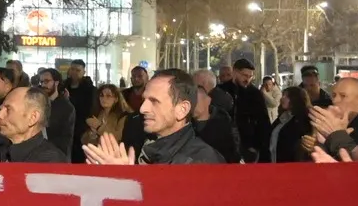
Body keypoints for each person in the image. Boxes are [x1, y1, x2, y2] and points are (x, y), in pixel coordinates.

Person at [86, 69, 222, 164]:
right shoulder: (151, 147)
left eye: (154, 101)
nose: (143, 108)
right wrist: (125, 178)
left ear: (182, 109)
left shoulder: (200, 162)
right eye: (144, 100)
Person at [217, 58, 270, 161]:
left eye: (250, 76)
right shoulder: (222, 91)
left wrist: (256, 146)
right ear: (235, 72)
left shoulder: (255, 94)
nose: (247, 79)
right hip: (224, 144)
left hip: (248, 146)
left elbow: (263, 121)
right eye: (244, 75)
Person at [192, 78, 242, 162]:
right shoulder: (185, 125)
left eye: (196, 100)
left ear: (208, 100)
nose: (192, 105)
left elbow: (233, 153)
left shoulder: (223, 125)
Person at [80, 83, 132, 156]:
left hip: (115, 157)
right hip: (97, 155)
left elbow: (118, 137)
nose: (104, 98)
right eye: (101, 95)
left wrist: (99, 127)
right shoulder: (98, 113)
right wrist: (91, 134)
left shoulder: (123, 116)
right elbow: (83, 140)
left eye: (108, 96)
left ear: (116, 99)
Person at [268, 85, 313, 162]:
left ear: (296, 99)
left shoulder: (304, 120)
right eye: (283, 95)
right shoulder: (282, 118)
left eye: (286, 96)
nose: (282, 98)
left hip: (291, 167)